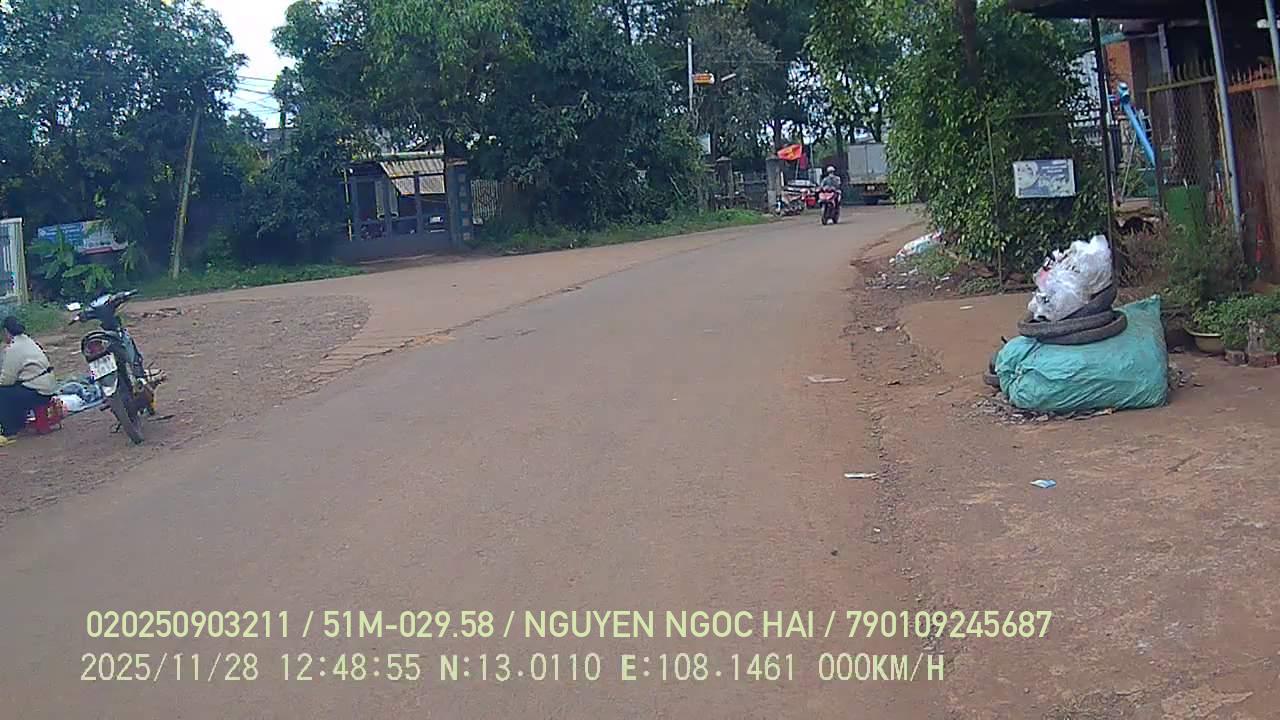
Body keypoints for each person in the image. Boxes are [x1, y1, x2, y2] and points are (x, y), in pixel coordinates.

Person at [0, 316, 57, 444]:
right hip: (47, 386)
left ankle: (10, 431)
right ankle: (19, 423)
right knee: (15, 390)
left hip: (38, 391)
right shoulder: (28, 341)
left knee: (3, 393)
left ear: (6, 331)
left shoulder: (14, 348)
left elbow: (6, 380)